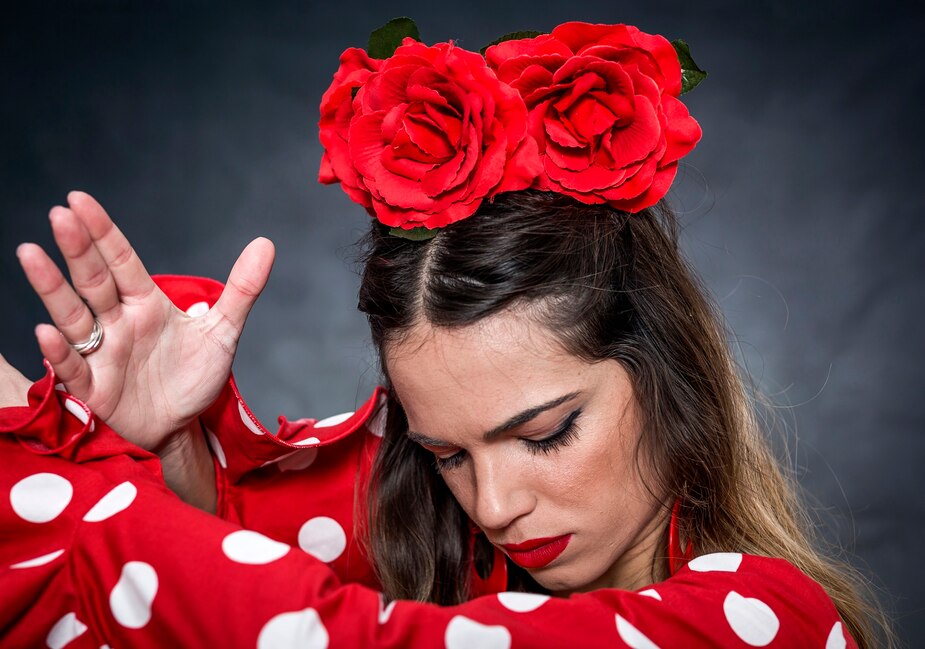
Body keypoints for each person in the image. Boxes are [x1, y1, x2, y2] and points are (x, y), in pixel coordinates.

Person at [0, 20, 890, 648]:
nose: (495, 504)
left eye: (544, 432)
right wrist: (158, 461)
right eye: (448, 453)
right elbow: (221, 597)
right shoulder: (414, 537)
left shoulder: (767, 621)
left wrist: (90, 512)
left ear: (666, 373)